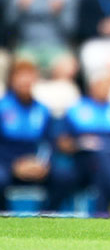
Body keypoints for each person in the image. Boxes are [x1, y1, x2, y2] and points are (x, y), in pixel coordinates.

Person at [0, 58, 70, 211]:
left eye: (29, 75)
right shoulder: (2, 107)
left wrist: (42, 163)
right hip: (6, 162)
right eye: (20, 75)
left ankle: (47, 215)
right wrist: (13, 165)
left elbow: (49, 143)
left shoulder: (42, 110)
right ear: (12, 79)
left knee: (64, 176)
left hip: (34, 162)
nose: (25, 80)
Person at [58, 70, 110, 214]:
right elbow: (62, 143)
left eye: (108, 85)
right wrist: (81, 143)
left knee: (104, 161)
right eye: (101, 84)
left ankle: (103, 212)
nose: (105, 88)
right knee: (100, 157)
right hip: (82, 161)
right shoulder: (76, 110)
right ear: (92, 86)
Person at [6, 0, 78, 80]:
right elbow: (8, 26)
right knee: (22, 70)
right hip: (27, 47)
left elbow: (72, 30)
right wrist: (19, 9)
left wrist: (59, 13)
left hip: (56, 47)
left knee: (68, 67)